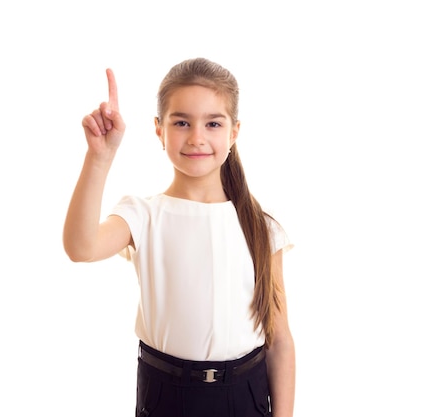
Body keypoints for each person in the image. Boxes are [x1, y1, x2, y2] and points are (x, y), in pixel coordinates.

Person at [63, 57, 295, 417]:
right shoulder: (143, 214)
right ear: (159, 129)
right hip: (166, 396)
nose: (197, 137)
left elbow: (279, 342)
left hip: (245, 396)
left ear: (234, 132)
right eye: (182, 122)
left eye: (213, 123)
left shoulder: (261, 227)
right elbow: (81, 247)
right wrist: (99, 158)